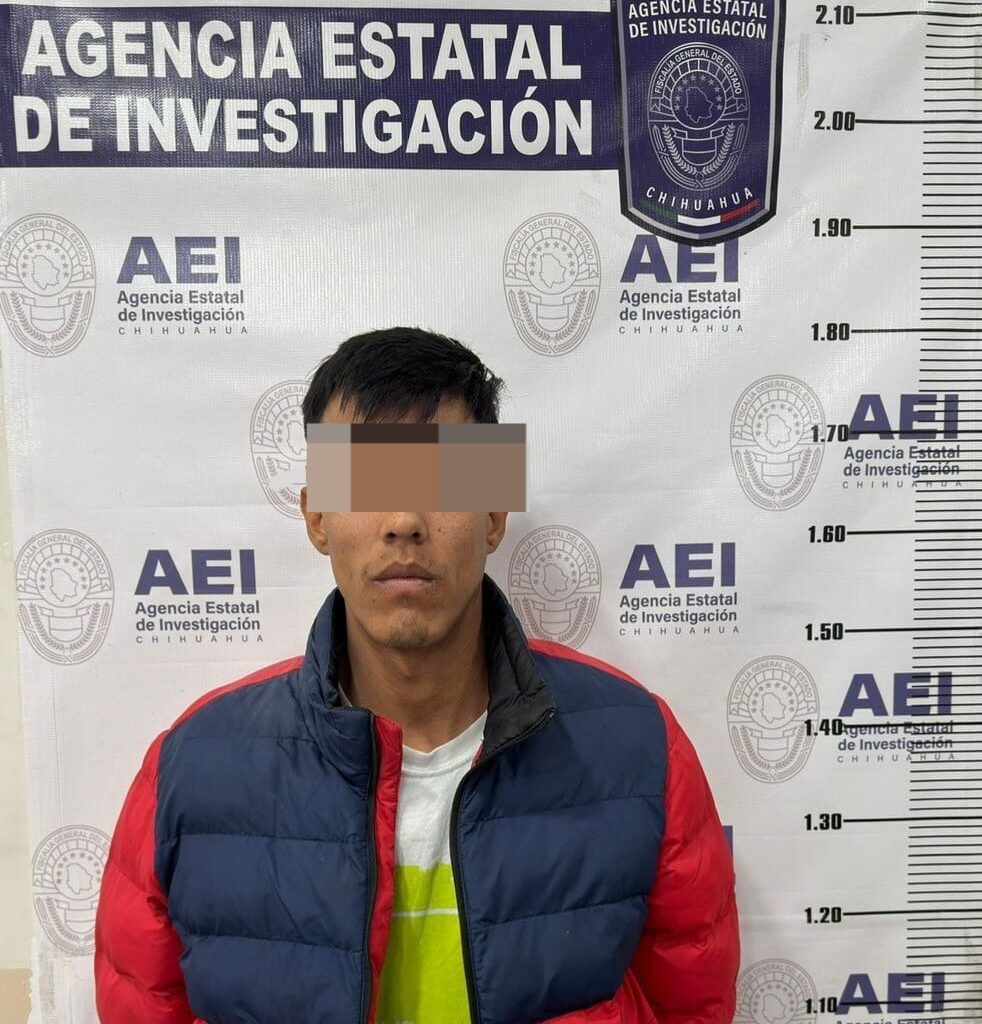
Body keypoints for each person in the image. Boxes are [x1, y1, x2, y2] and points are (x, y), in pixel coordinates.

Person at [93, 327, 739, 1024]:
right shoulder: (190, 773)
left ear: (494, 512)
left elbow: (693, 1007)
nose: (404, 520)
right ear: (316, 516)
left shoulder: (638, 750)